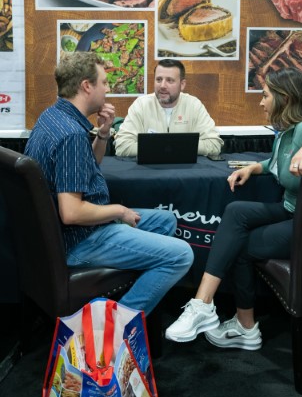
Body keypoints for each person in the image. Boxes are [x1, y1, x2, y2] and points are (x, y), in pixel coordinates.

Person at [165, 68, 302, 348]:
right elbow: (279, 163)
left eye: (265, 96)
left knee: (238, 245)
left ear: (284, 98)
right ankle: (205, 306)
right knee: (236, 211)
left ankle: (243, 326)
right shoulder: (286, 132)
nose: (261, 102)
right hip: (291, 210)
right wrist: (255, 167)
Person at [25, 52, 194, 316]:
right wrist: (118, 211)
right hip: (81, 239)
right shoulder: (71, 135)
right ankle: (117, 324)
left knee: (165, 221)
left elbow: (83, 167)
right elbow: (71, 213)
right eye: (104, 82)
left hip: (69, 233)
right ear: (86, 86)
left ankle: (133, 292)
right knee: (182, 255)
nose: (107, 88)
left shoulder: (53, 117)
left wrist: (103, 133)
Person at [114, 59, 223, 157]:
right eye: (159, 79)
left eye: (170, 80)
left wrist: (171, 147)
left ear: (182, 84)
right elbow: (122, 146)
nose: (162, 86)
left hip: (185, 171)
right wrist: (168, 147)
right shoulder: (141, 105)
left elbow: (214, 144)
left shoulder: (193, 105)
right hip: (149, 171)